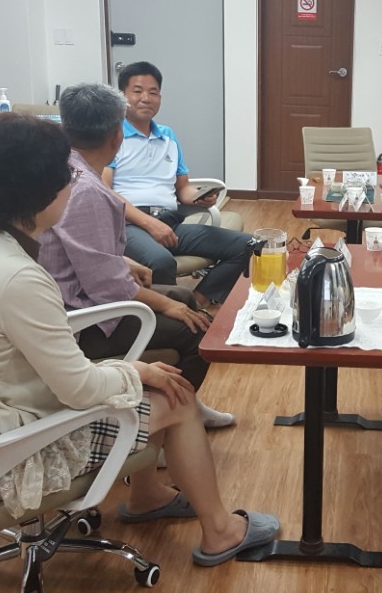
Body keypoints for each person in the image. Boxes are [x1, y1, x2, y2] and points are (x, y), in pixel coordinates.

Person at [0, 113, 279, 566]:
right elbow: (79, 389)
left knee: (148, 383)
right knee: (177, 396)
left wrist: (129, 372)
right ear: (40, 192)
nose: (73, 186)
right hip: (16, 447)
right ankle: (221, 532)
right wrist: (136, 370)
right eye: (66, 177)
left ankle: (148, 495)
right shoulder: (19, 278)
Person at [38, 82, 235, 431]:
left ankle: (187, 401)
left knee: (185, 296)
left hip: (71, 293)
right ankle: (166, 421)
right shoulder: (87, 190)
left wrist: (124, 262)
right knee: (196, 331)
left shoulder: (60, 168)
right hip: (78, 319)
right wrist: (165, 305)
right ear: (117, 136)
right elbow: (108, 287)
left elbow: (76, 246)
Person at [105, 61, 249, 308]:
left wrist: (198, 197)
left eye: (153, 92)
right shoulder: (112, 136)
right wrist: (149, 223)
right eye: (137, 91)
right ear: (122, 96)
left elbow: (183, 188)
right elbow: (104, 191)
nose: (146, 98)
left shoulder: (168, 136)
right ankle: (166, 318)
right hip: (129, 225)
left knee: (247, 245)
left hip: (170, 222)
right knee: (160, 261)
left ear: (160, 97)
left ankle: (196, 303)